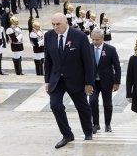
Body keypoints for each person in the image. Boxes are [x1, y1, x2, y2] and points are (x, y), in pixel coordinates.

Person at [44, 12, 94, 148]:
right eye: (53, 24)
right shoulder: (48, 36)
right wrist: (47, 81)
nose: (55, 27)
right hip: (56, 79)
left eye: (58, 24)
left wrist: (89, 83)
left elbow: (88, 61)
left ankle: (88, 131)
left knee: (82, 107)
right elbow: (47, 60)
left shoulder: (80, 36)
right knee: (55, 105)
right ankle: (67, 134)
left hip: (75, 79)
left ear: (66, 22)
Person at [89, 29, 121, 134]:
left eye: (97, 40)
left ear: (102, 39)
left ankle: (107, 124)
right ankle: (96, 124)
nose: (94, 42)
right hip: (93, 82)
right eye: (93, 39)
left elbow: (117, 67)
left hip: (107, 81)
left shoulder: (111, 49)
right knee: (92, 101)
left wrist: (117, 82)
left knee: (107, 104)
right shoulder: (88, 48)